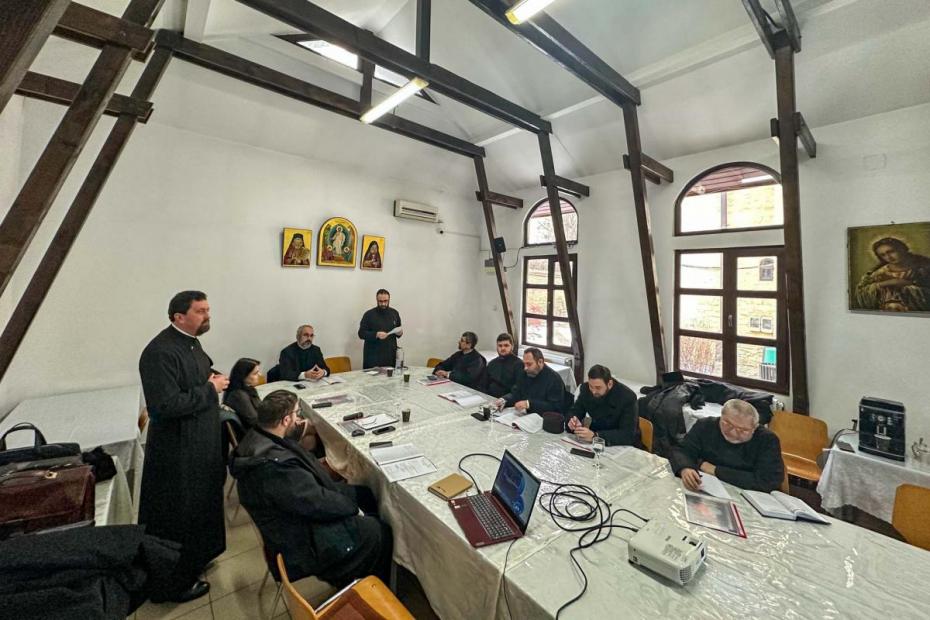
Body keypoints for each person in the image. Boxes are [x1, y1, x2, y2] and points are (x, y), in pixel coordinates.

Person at [230, 391, 393, 587]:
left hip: (299, 509)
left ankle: (365, 560)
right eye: (297, 414)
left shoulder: (260, 434)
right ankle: (370, 586)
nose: (299, 419)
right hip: (304, 539)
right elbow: (316, 503)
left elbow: (308, 495)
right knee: (380, 531)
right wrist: (353, 510)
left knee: (364, 494)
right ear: (285, 420)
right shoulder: (275, 468)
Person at [138, 291, 228, 603]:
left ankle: (198, 557)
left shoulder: (191, 342)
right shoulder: (159, 352)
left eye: (208, 309)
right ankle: (174, 583)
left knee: (202, 505)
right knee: (179, 514)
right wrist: (211, 389)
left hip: (200, 442)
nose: (207, 315)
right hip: (178, 450)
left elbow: (197, 375)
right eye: (200, 311)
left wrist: (213, 378)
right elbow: (164, 406)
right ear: (179, 316)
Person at [669, 399, 785, 493]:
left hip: (746, 494)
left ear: (754, 428)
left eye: (743, 430)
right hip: (704, 488)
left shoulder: (767, 440)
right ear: (720, 417)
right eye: (727, 424)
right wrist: (685, 468)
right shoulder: (706, 425)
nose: (733, 433)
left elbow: (768, 481)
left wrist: (715, 470)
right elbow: (681, 450)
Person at [566, 364, 641, 447]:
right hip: (594, 441)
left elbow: (627, 435)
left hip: (619, 442)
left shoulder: (627, 397)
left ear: (610, 384)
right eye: (591, 386)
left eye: (598, 388)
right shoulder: (585, 389)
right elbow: (575, 411)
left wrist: (596, 436)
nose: (593, 391)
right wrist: (572, 421)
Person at [855, 236, 930, 311]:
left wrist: (908, 284)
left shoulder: (923, 268)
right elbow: (862, 293)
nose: (889, 257)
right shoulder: (878, 273)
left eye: (891, 252)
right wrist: (888, 283)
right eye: (883, 255)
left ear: (901, 249)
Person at [497, 348, 566, 414]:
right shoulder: (525, 372)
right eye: (524, 364)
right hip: (524, 414)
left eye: (529, 364)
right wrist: (504, 400)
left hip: (543, 418)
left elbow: (555, 407)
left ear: (540, 362)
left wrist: (529, 404)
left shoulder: (554, 379)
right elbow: (516, 393)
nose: (525, 368)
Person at [357, 289, 402, 368]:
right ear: (377, 300)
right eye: (380, 301)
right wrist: (376, 334)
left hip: (390, 357)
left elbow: (399, 331)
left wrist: (400, 333)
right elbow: (361, 333)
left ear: (389, 299)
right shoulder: (369, 314)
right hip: (373, 358)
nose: (383, 304)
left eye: (385, 301)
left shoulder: (394, 313)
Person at [223, 358, 263, 429]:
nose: (260, 375)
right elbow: (254, 420)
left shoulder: (248, 388)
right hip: (253, 431)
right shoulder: (239, 395)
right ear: (243, 375)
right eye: (255, 373)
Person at [485, 333, 522, 398]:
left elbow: (519, 388)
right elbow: (484, 384)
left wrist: (504, 399)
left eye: (506, 345)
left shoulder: (519, 364)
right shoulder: (492, 364)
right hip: (489, 398)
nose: (503, 348)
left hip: (509, 400)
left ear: (512, 346)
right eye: (500, 345)